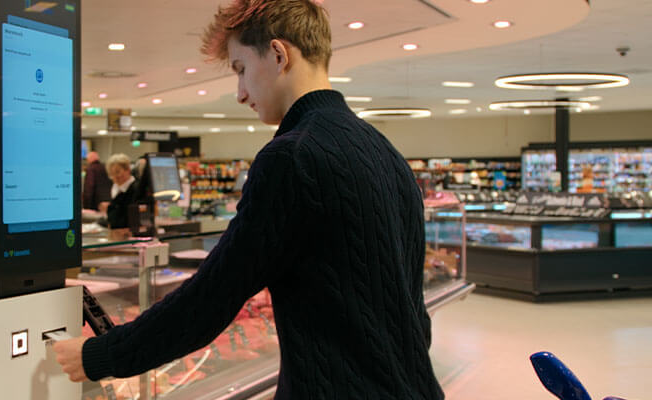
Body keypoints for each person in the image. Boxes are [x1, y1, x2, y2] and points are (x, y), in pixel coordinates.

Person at [55, 0, 444, 398]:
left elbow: (213, 296)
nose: (240, 94)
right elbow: (412, 312)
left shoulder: (291, 158)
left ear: (278, 54)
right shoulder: (385, 152)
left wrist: (100, 355)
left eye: (240, 69)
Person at [104, 153, 145, 229]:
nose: (115, 177)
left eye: (117, 172)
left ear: (128, 170)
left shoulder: (136, 190)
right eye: (111, 174)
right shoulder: (115, 188)